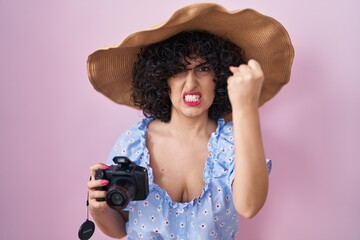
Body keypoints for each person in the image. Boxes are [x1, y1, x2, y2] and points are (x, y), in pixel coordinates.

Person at [86, 3, 294, 239]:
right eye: (178, 70)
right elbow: (120, 228)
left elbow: (249, 206)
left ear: (220, 77)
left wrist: (245, 107)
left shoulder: (233, 142)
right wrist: (99, 209)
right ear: (162, 78)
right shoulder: (133, 143)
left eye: (203, 68)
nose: (191, 83)